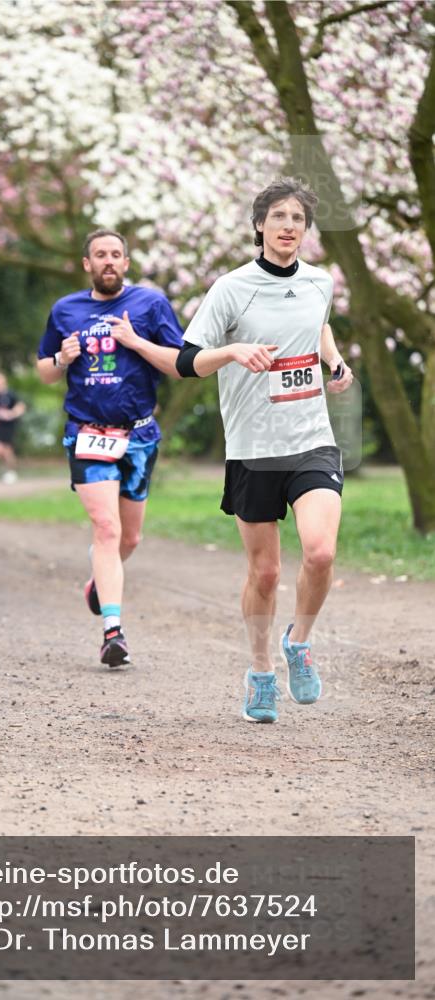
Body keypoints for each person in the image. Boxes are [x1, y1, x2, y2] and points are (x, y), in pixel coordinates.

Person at [176, 177, 354, 723]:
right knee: (267, 573)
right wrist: (232, 351)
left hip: (310, 441)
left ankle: (298, 643)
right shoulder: (232, 288)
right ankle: (259, 671)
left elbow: (317, 324)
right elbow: (188, 361)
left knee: (320, 553)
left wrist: (334, 360)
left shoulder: (320, 281)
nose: (288, 227)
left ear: (305, 229)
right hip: (254, 447)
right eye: (278, 217)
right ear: (259, 225)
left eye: (297, 219)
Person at [37, 228, 183, 667]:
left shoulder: (150, 305)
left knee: (130, 536)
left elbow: (179, 366)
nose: (108, 261)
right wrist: (62, 359)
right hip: (87, 432)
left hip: (138, 433)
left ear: (126, 262)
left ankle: (99, 581)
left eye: (116, 254)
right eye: (100, 254)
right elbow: (44, 370)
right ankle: (112, 633)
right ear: (87, 264)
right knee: (107, 529)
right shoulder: (66, 310)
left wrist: (135, 341)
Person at [0, 371, 26, 484]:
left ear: (4, 381)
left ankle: (11, 472)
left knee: (7, 450)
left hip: (9, 426)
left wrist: (11, 414)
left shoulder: (11, 394)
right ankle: (4, 466)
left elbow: (21, 406)